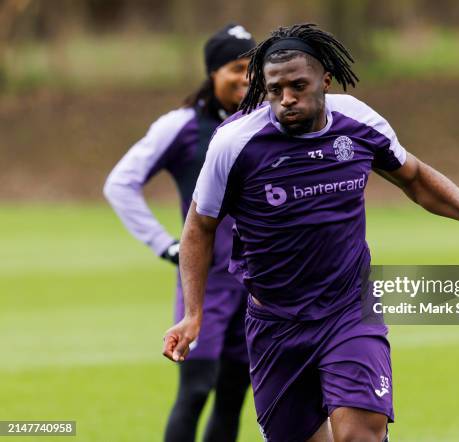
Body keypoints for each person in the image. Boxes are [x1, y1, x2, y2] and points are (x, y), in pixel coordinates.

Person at [163, 23, 459, 442]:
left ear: (324, 80)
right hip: (275, 323)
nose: (286, 99)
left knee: (358, 434)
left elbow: (414, 178)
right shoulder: (235, 143)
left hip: (348, 310)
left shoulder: (359, 122)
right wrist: (194, 313)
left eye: (298, 86)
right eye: (275, 90)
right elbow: (199, 227)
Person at [104, 24, 256, 442]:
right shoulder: (183, 125)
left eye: (253, 68)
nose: (246, 77)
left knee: (233, 396)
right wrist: (165, 245)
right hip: (205, 283)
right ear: (212, 73)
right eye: (236, 68)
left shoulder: (267, 123)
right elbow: (120, 182)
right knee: (195, 391)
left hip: (257, 284)